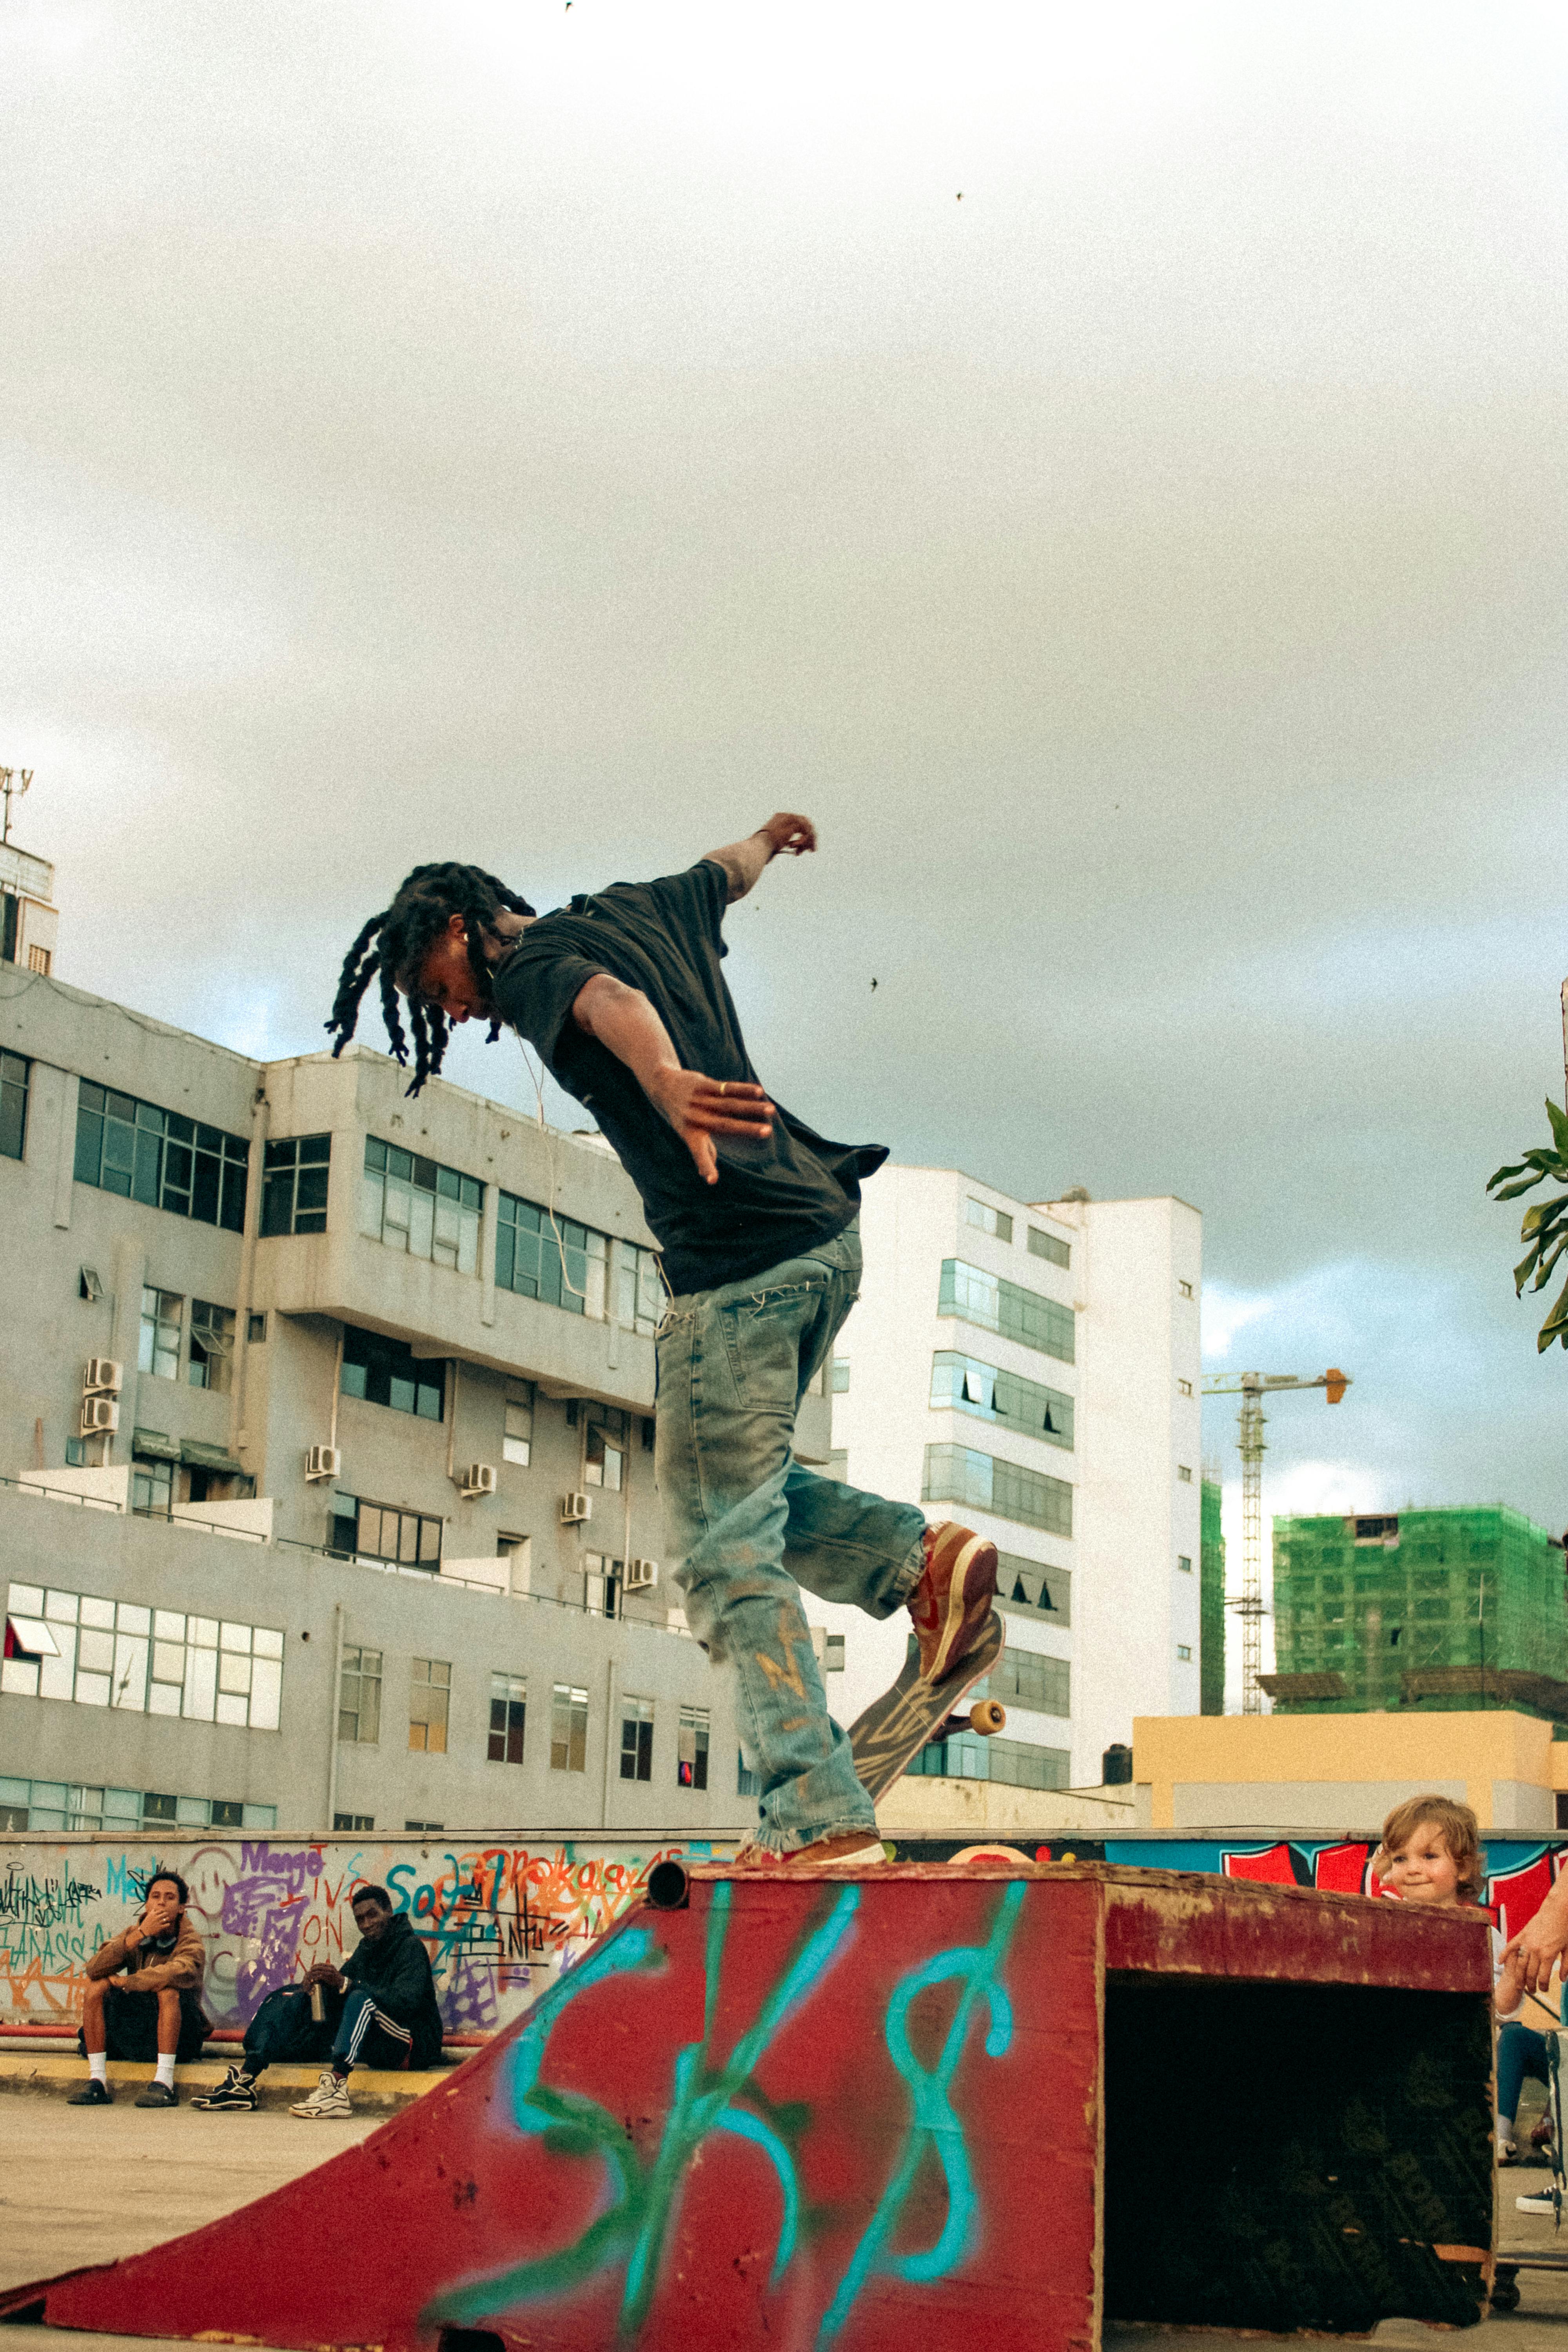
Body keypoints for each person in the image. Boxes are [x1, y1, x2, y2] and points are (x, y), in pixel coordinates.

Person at [323, 821, 1000, 1867]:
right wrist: (770, 841)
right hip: (822, 1240)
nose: (451, 1007)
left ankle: (817, 1816)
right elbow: (720, 875)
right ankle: (920, 1562)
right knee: (738, 1490)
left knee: (721, 1552)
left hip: (734, 1274)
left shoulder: (537, 961)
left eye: (437, 980)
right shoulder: (645, 902)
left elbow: (614, 1004)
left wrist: (666, 1080)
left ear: (464, 927)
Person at [1372, 1797, 1555, 2211]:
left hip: (1456, 2079)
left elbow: (1502, 2012)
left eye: (1429, 1855)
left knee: (1453, 2183)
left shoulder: (1479, 1934)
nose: (1412, 1868)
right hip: (1397, 2072)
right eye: (1400, 1858)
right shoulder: (1382, 1924)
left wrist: (1512, 1975)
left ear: (1464, 1867)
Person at [192, 1884, 443, 2118]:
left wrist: (345, 1984)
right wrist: (318, 1983)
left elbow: (406, 2003)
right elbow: (343, 1984)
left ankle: (336, 2088)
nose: (367, 1924)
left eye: (373, 1915)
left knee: (359, 1997)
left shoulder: (410, 1948)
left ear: (388, 1912)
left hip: (413, 2045)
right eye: (360, 1920)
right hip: (381, 2044)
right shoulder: (367, 1949)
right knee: (297, 1994)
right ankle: (245, 2080)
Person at [67, 1868, 208, 2109]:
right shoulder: (135, 1934)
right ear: (147, 1904)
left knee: (168, 1990)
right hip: (137, 2029)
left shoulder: (190, 1940)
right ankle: (97, 2081)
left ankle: (165, 2084)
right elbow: (94, 1968)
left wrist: (129, 1982)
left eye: (170, 1897)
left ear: (182, 1908)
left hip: (181, 2034)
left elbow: (179, 1970)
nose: (161, 1902)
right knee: (96, 1986)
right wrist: (139, 1935)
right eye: (155, 1896)